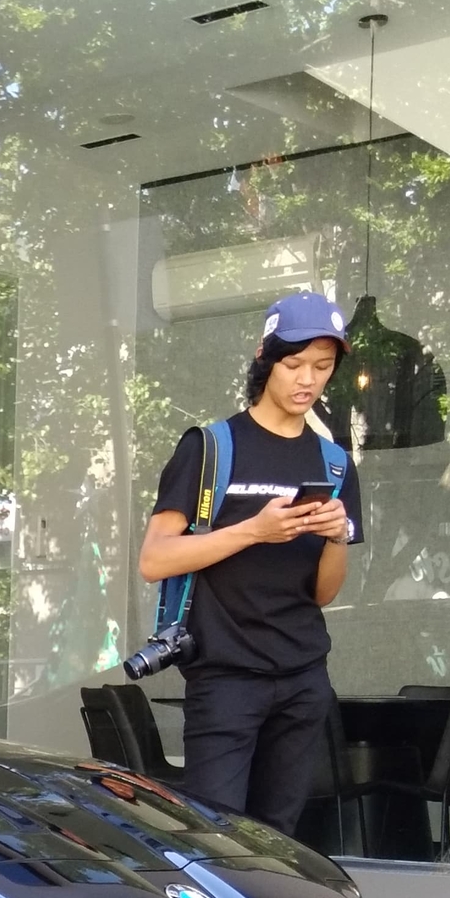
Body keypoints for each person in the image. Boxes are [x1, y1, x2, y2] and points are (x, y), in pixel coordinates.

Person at [137, 292, 364, 835]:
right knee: (215, 840)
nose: (307, 379)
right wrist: (253, 531)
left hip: (304, 676)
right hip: (225, 677)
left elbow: (324, 595)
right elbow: (154, 559)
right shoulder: (212, 448)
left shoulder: (334, 464)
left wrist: (335, 538)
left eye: (322, 367)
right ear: (266, 358)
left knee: (280, 840)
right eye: (294, 364)